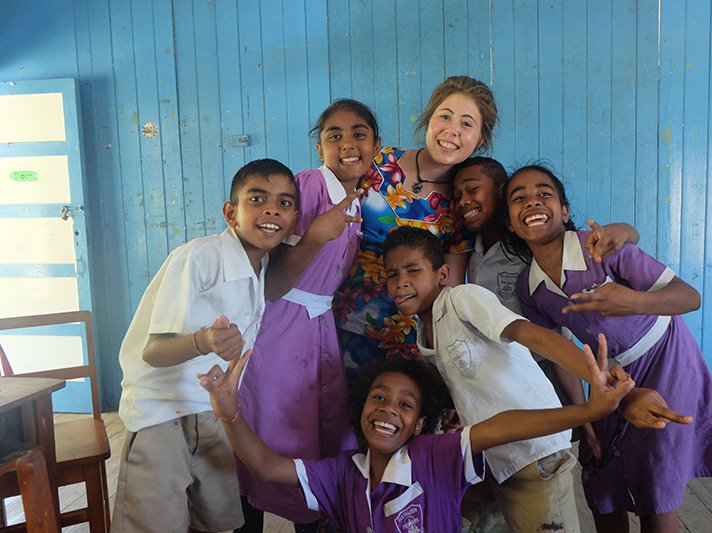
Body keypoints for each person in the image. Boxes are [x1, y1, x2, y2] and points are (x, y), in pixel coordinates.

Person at [381, 225, 691, 532]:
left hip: (535, 454)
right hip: (501, 459)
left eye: (412, 271)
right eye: (392, 274)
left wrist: (610, 386)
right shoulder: (425, 333)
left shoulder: (462, 299)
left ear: (442, 275)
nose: (401, 282)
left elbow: (533, 335)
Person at [198, 330, 635, 531]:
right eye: (379, 397)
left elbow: (503, 427)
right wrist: (229, 411)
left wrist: (587, 413)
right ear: (361, 407)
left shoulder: (434, 456)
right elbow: (265, 466)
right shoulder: (343, 474)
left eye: (405, 405)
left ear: (421, 424)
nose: (388, 410)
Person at [504, 164, 712, 533]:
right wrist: (584, 414)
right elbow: (556, 351)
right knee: (599, 471)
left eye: (544, 193)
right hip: (610, 374)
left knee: (654, 476)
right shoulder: (528, 288)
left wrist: (633, 302)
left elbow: (689, 297)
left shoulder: (604, 248)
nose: (532, 201)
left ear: (564, 211)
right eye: (519, 198)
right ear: (510, 223)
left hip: (666, 355)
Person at [111, 159, 299, 533]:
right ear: (231, 212)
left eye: (285, 203)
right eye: (257, 198)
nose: (272, 210)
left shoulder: (259, 266)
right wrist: (203, 341)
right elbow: (153, 351)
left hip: (211, 413)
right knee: (153, 522)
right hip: (161, 415)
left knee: (217, 520)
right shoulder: (198, 257)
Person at [235, 100, 381, 532]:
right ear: (320, 147)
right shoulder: (309, 187)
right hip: (281, 329)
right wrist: (316, 235)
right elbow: (273, 282)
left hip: (317, 328)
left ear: (376, 145)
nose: (346, 144)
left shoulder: (357, 201)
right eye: (333, 135)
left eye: (359, 134)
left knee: (313, 434)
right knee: (273, 427)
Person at [333, 75, 497, 376]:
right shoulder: (378, 161)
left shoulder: (463, 203)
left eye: (466, 123)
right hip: (340, 322)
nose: (452, 131)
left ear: (481, 139)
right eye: (444, 116)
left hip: (407, 342)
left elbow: (450, 287)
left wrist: (442, 357)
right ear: (429, 118)